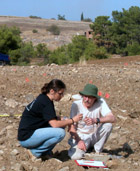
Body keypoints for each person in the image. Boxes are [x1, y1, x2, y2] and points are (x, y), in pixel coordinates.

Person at [18, 79, 83, 160]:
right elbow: (54, 124)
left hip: (28, 134)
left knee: (61, 125)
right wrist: (72, 120)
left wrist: (63, 119)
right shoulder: (46, 102)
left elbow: (46, 117)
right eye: (60, 93)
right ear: (52, 91)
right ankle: (35, 152)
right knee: (60, 133)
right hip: (27, 138)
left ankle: (45, 153)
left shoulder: (44, 98)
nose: (62, 96)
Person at [68, 84, 116, 160]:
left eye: (89, 97)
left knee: (108, 125)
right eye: (85, 96)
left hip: (94, 134)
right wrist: (79, 140)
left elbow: (112, 118)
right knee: (76, 157)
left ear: (95, 98)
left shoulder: (100, 102)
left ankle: (97, 151)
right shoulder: (76, 105)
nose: (86, 99)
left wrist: (96, 120)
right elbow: (71, 128)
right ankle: (84, 149)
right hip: (81, 136)